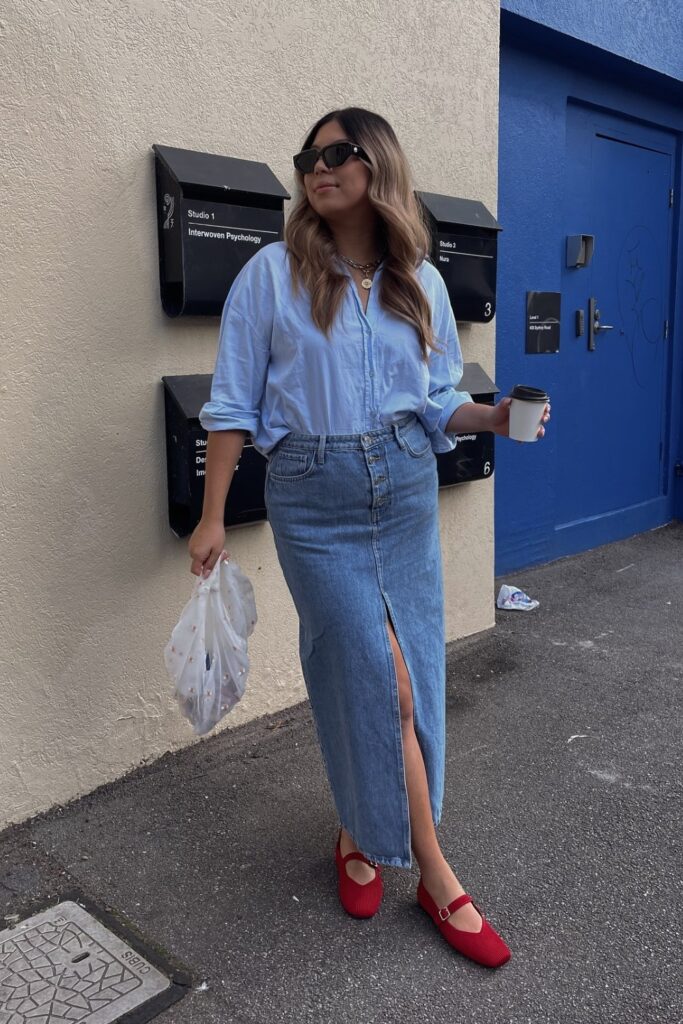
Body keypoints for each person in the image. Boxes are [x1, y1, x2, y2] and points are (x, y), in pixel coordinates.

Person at [188, 107, 550, 969]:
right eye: (306, 157)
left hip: (403, 488)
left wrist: (493, 416)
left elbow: (432, 403)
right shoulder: (269, 275)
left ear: (376, 164)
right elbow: (232, 405)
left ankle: (358, 829)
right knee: (372, 675)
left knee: (408, 675)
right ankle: (434, 872)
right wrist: (209, 516)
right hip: (313, 498)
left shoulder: (414, 279)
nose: (318, 168)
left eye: (336, 153)